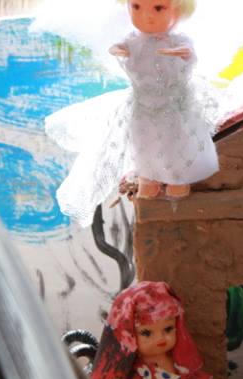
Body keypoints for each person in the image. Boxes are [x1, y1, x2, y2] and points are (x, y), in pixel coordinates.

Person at [46, 0, 218, 220]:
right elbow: (119, 49)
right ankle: (149, 178)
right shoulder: (133, 41)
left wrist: (184, 54)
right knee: (144, 141)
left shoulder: (179, 40)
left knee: (175, 140)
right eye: (136, 7)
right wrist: (118, 50)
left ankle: (177, 178)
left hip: (173, 104)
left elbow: (189, 56)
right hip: (143, 105)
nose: (147, 16)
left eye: (158, 8)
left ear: (179, 10)